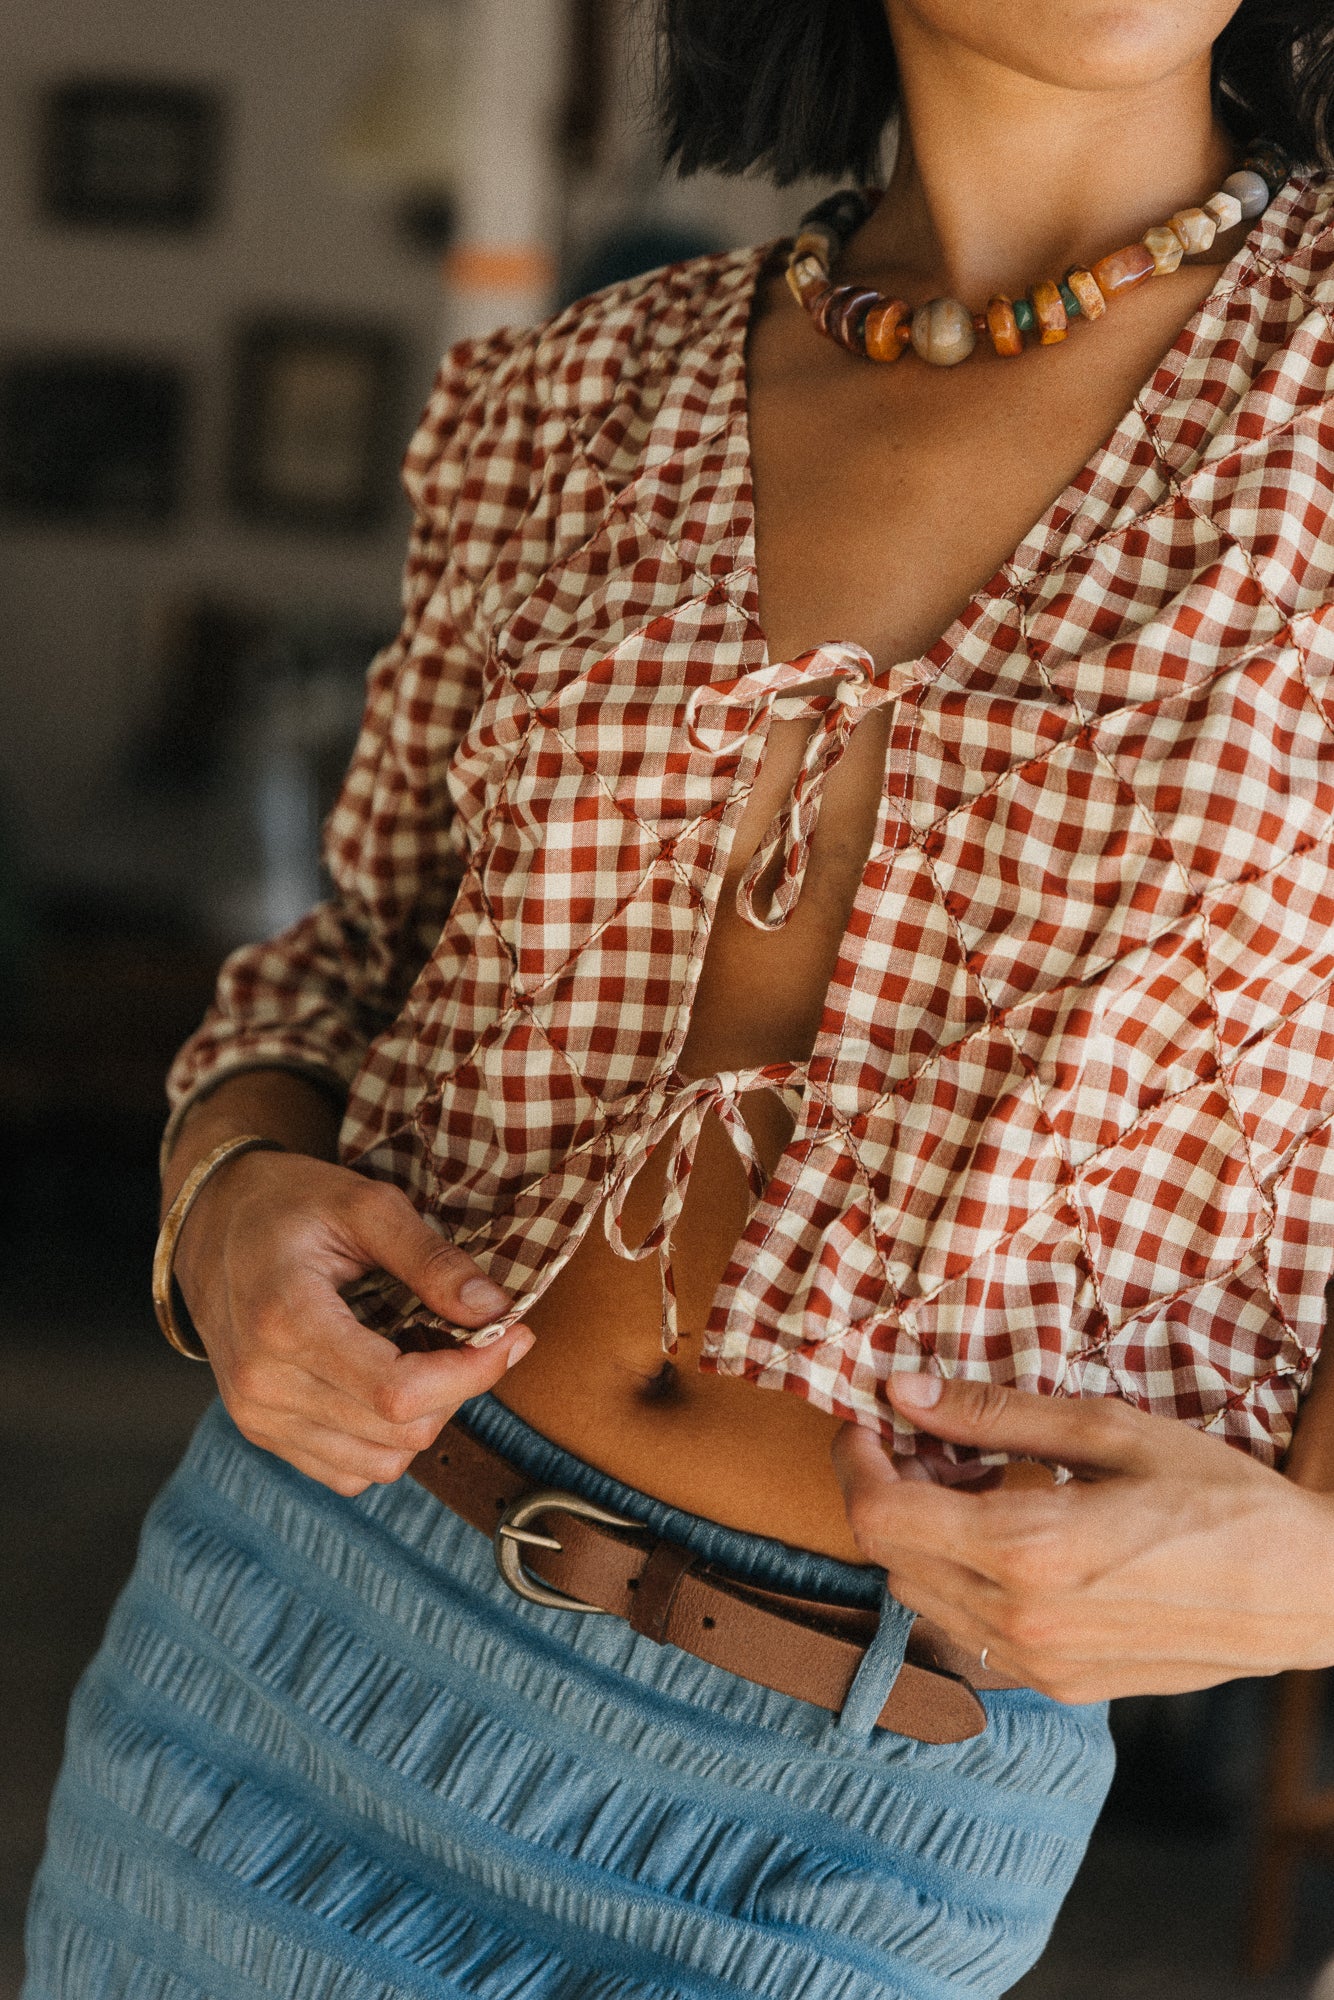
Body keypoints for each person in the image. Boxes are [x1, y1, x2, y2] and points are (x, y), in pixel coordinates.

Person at [23, 2, 1334, 1995]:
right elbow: (351, 961)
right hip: (296, 1631)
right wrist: (223, 1197)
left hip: (857, 1800)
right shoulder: (567, 397)